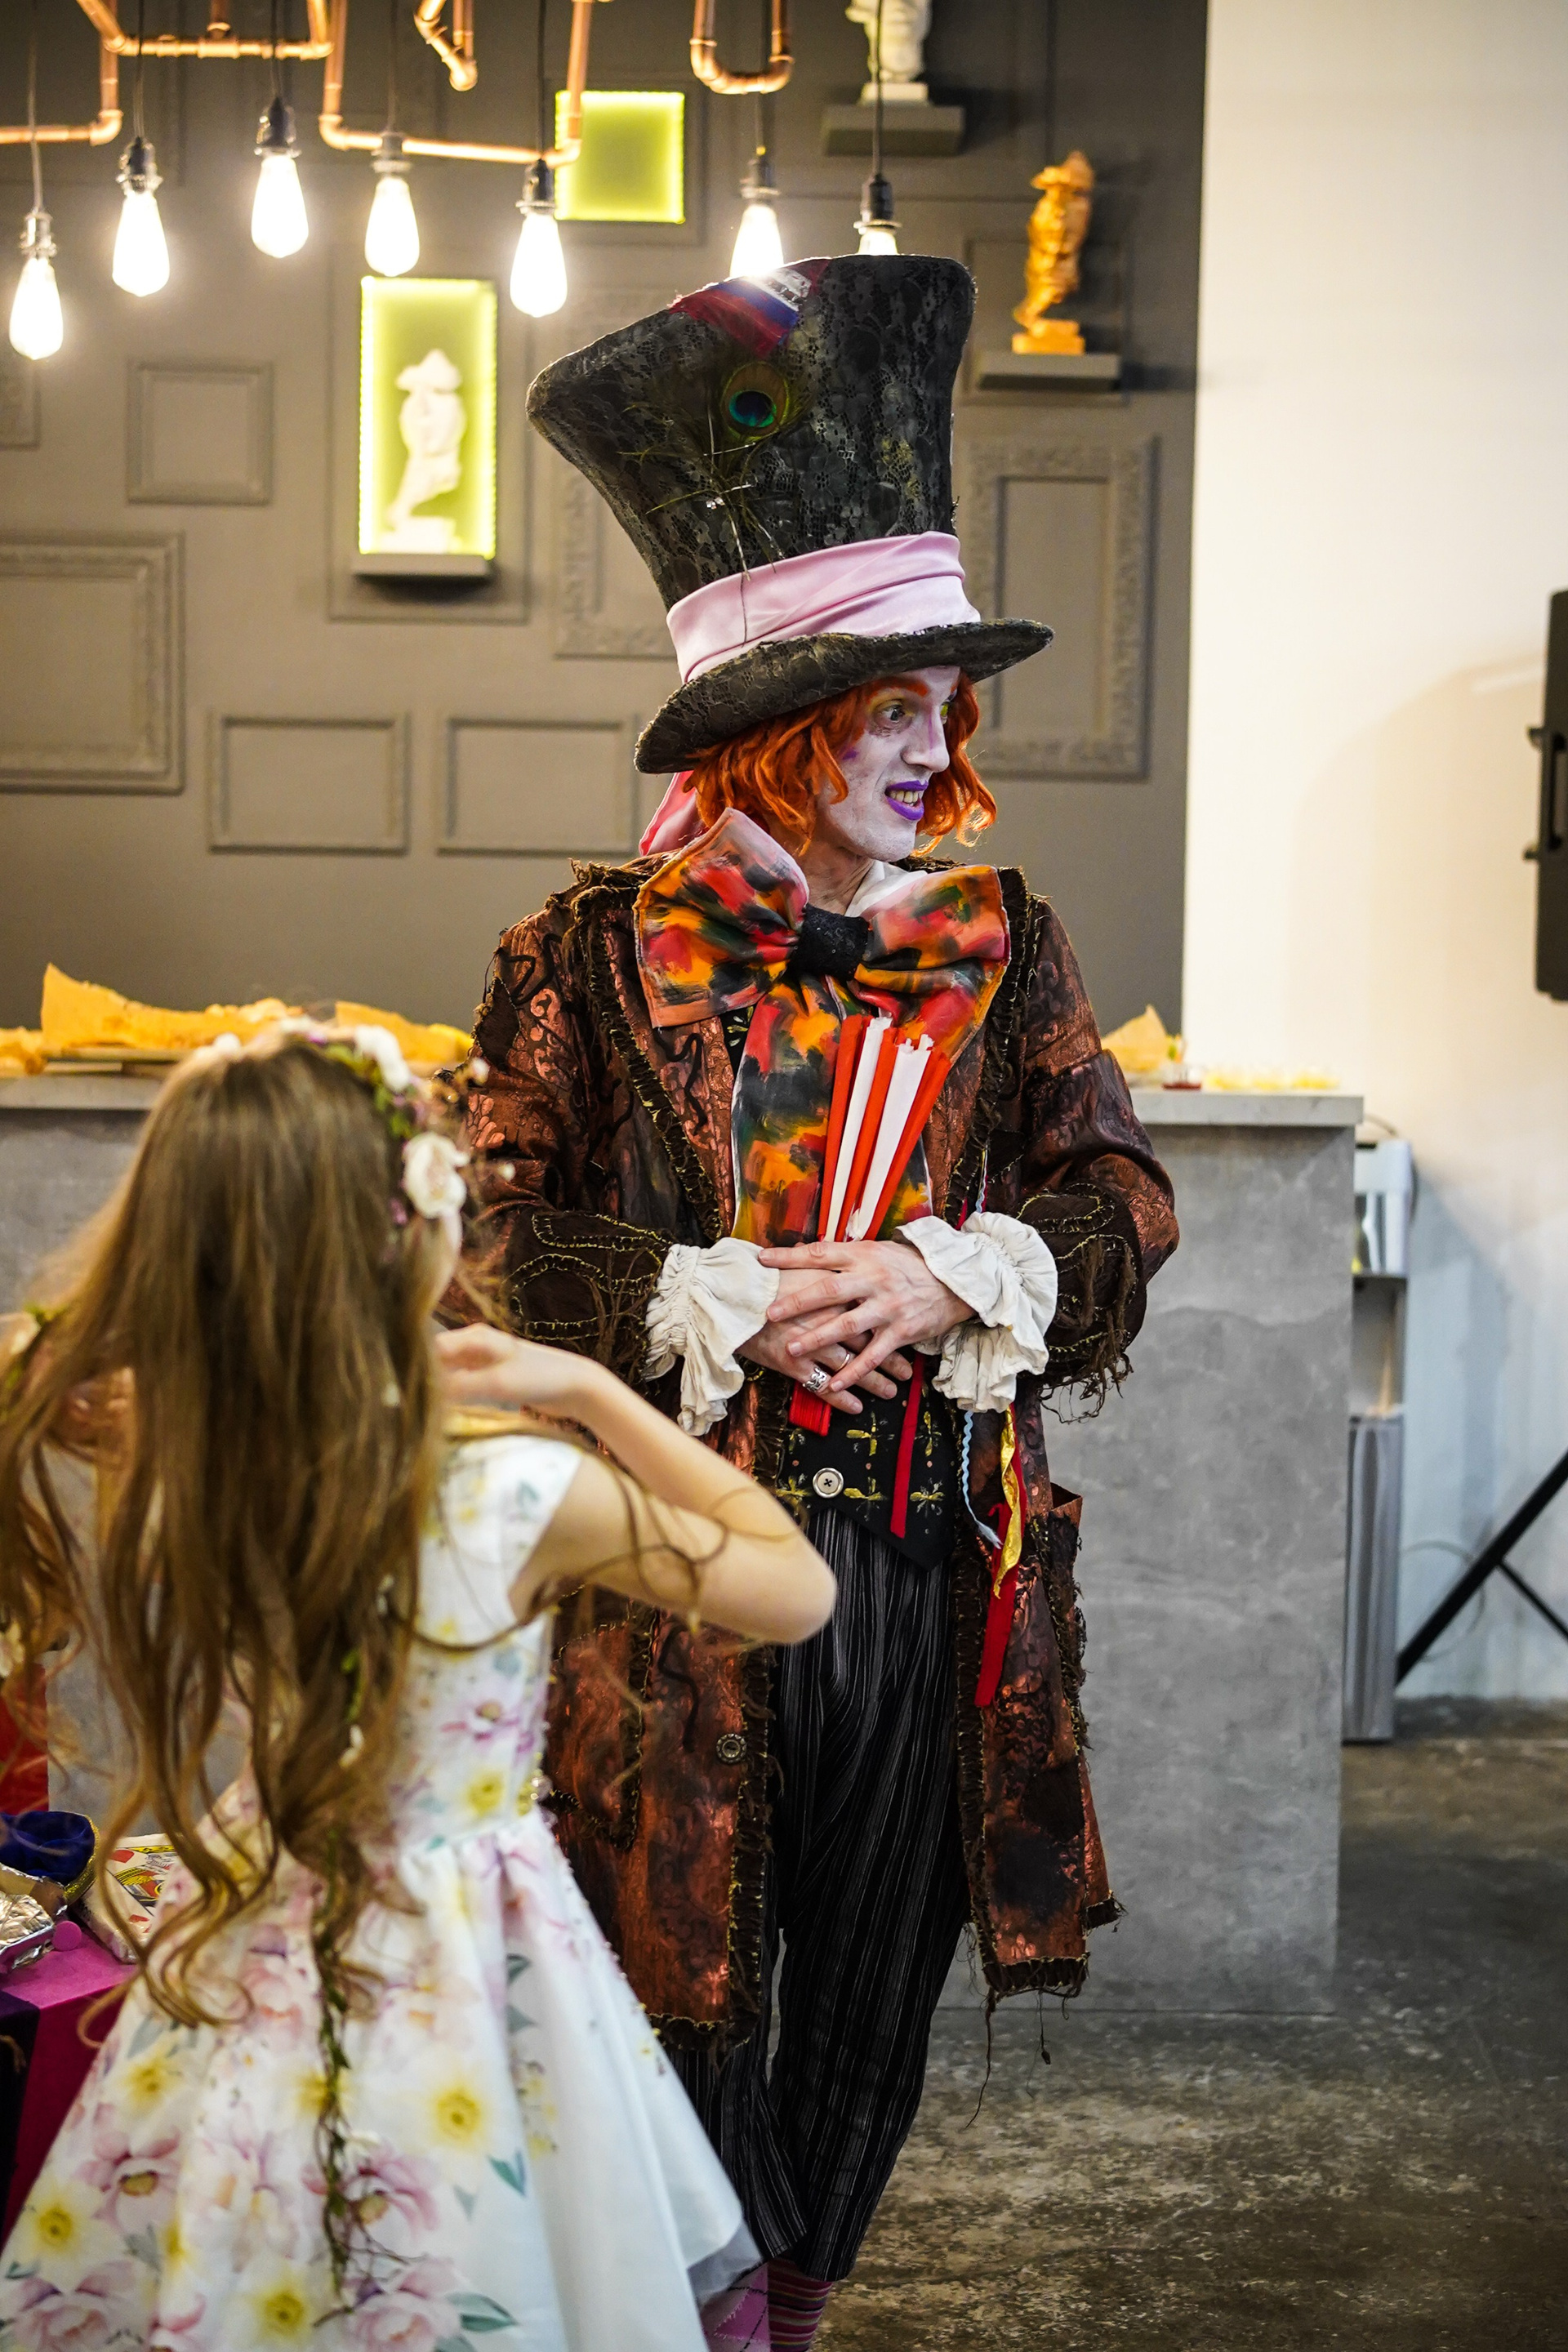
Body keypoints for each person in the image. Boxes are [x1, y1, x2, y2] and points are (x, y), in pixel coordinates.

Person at [466, 255, 1180, 2348]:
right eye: (889, 704)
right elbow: (490, 1238)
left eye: (945, 702)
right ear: (775, 735)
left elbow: (1119, 1197)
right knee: (677, 1968)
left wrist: (952, 1271)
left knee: (873, 1984)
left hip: (932, 1554)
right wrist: (722, 1296)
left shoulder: (1006, 943)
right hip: (665, 1553)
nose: (931, 743)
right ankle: (709, 2306)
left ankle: (789, 2305)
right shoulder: (583, 953)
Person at [0, 1023, 835, 2352]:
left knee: (266, 2229)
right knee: (449, 2245)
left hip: (266, 1918)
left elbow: (36, 1354)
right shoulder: (515, 1488)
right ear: (422, 1235)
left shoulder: (191, 1446)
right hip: (463, 1955)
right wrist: (589, 1391)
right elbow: (794, 1586)